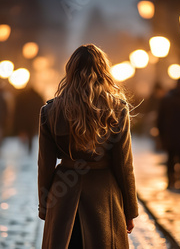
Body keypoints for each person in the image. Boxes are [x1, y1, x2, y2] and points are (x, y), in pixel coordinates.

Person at [38, 44, 138, 248]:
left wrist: (44, 206)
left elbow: (45, 166)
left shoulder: (50, 111)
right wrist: (129, 211)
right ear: (103, 71)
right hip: (104, 194)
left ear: (70, 71)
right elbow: (124, 164)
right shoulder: (117, 109)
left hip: (63, 192)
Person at [13, 84, 44, 154]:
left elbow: (17, 110)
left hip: (24, 120)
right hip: (33, 120)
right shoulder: (37, 97)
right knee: (31, 135)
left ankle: (25, 148)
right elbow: (42, 108)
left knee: (24, 133)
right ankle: (29, 149)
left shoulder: (22, 97)